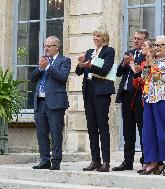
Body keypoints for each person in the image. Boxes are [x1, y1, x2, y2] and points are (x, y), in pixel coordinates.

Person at [75, 28, 115, 172]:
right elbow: (79, 72)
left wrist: (91, 66)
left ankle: (106, 162)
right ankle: (95, 160)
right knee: (91, 127)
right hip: (89, 92)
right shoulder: (89, 52)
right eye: (94, 36)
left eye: (98, 36)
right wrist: (81, 63)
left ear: (104, 38)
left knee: (102, 127)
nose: (95, 38)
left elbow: (105, 70)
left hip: (101, 93)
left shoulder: (109, 51)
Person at [31, 36, 71, 170]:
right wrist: (40, 68)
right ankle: (44, 160)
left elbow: (62, 77)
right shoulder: (43, 61)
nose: (46, 48)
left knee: (55, 133)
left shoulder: (64, 60)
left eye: (49, 46)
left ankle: (56, 161)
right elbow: (32, 78)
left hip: (55, 103)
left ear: (57, 47)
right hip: (40, 101)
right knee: (41, 133)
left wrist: (48, 67)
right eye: (45, 46)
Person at [140, 35, 165, 176]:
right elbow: (144, 77)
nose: (157, 48)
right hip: (149, 98)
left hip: (163, 98)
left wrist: (154, 66)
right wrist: (147, 64)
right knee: (149, 131)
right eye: (156, 45)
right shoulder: (152, 60)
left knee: (163, 131)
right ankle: (153, 161)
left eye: (160, 45)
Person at [113, 29, 149, 171]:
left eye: (139, 39)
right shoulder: (129, 53)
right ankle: (127, 161)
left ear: (145, 40)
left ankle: (145, 161)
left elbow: (144, 73)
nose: (135, 41)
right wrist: (124, 64)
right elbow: (118, 73)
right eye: (134, 38)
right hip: (126, 96)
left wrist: (135, 65)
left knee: (142, 129)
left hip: (139, 97)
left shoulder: (146, 55)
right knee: (128, 130)